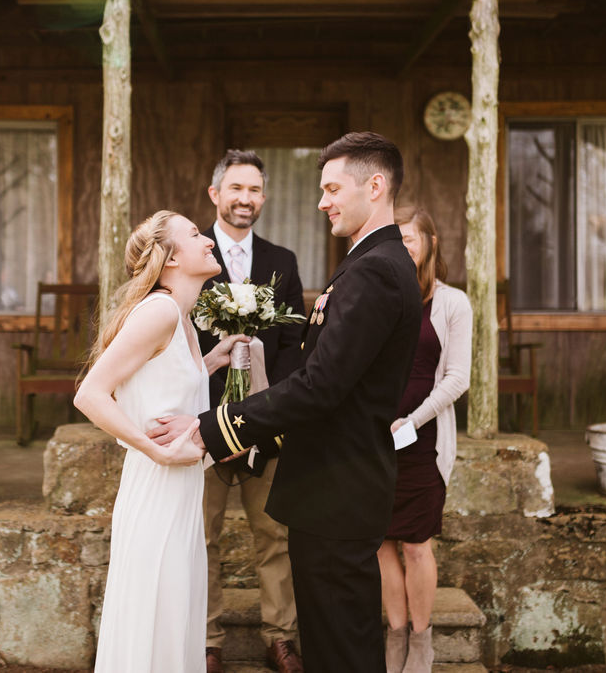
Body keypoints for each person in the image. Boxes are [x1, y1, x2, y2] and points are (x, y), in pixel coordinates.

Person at [195, 131, 423, 672]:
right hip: (330, 485)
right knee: (331, 642)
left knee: (340, 647)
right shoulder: (372, 262)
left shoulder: (376, 270)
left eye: (331, 188)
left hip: (337, 487)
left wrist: (220, 426)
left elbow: (321, 385)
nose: (322, 202)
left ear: (375, 185)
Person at [150, 150, 305, 673]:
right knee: (203, 535)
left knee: (275, 534)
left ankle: (281, 637)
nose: (246, 199)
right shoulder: (189, 258)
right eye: (236, 188)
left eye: (255, 190)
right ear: (215, 194)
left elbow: (291, 342)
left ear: (263, 197)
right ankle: (207, 639)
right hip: (203, 423)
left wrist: (273, 406)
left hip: (267, 424)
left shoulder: (283, 261)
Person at [73, 210, 247, 673]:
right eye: (195, 235)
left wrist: (211, 362)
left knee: (174, 614)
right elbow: (90, 394)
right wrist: (153, 448)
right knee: (157, 616)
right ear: (169, 258)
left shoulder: (182, 318)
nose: (209, 241)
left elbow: (164, 384)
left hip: (181, 493)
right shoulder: (160, 310)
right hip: (157, 491)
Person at [379, 207, 473, 673]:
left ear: (430, 244)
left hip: (423, 438)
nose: (401, 248)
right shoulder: (383, 299)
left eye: (409, 239)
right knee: (380, 542)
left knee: (415, 543)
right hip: (376, 438)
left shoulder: (453, 303)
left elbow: (457, 379)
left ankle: (421, 639)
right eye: (393, 240)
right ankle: (394, 634)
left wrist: (411, 420)